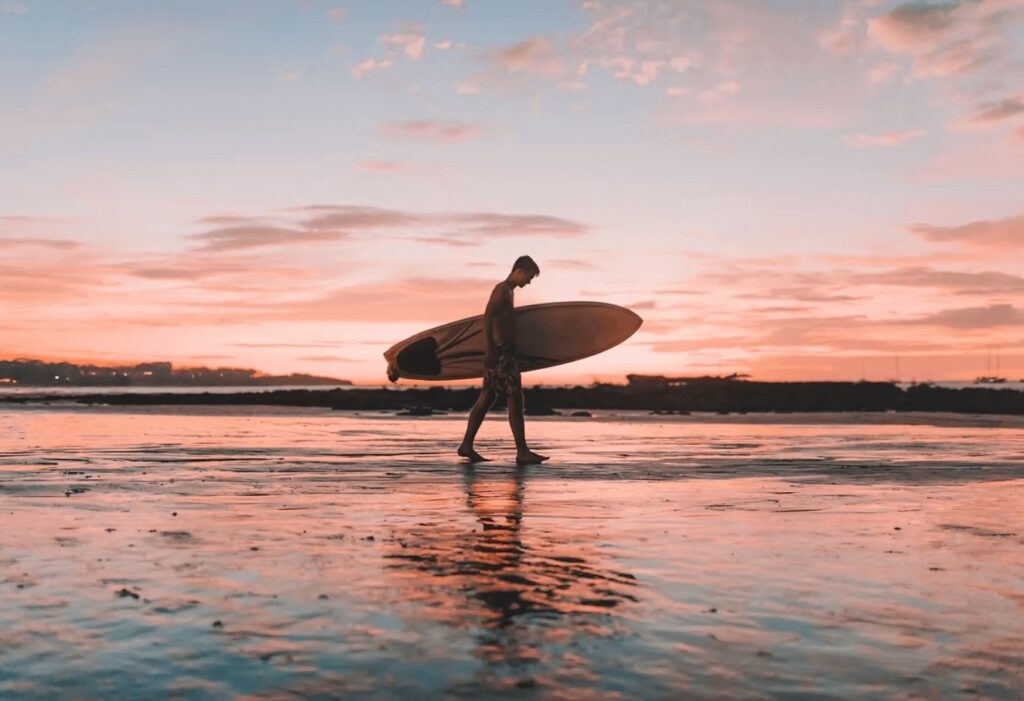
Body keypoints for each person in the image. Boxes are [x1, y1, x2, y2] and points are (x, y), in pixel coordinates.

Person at [459, 256, 549, 466]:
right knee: (515, 399)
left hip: (504, 351)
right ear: (519, 269)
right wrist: (490, 349)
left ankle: (466, 445)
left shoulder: (508, 291)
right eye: (529, 276)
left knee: (487, 398)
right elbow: (487, 317)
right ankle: (522, 451)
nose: (528, 282)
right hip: (501, 353)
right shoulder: (502, 290)